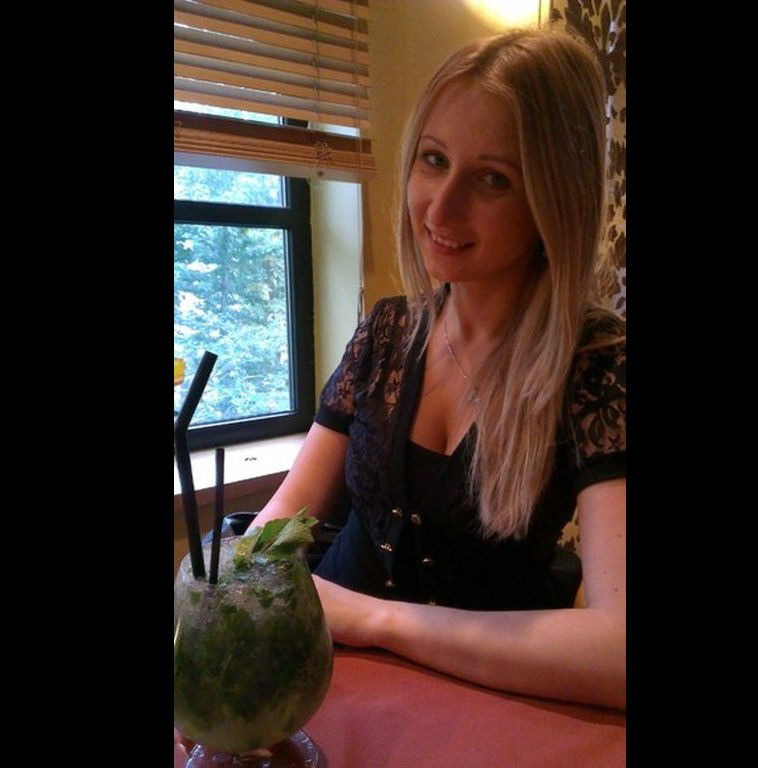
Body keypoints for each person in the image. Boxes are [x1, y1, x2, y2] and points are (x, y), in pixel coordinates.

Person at [249, 26, 626, 710]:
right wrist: (238, 586)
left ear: (553, 200)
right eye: (433, 160)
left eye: (492, 179)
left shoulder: (597, 362)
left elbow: (619, 652)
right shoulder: (386, 332)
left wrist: (377, 620)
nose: (440, 207)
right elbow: (284, 515)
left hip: (490, 702)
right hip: (331, 681)